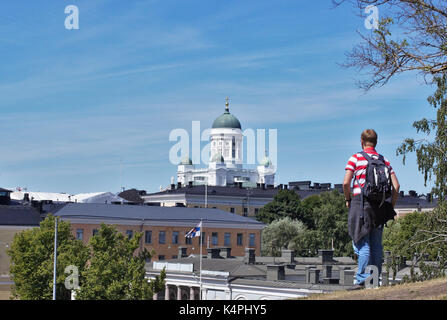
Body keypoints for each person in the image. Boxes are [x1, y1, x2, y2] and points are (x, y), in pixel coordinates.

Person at [343, 129, 400, 288]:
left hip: (361, 204)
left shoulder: (356, 158)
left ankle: (362, 280)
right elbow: (396, 186)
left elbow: (346, 183)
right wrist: (390, 206)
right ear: (376, 141)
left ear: (362, 141)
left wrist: (348, 199)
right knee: (376, 245)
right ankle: (374, 281)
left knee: (362, 242)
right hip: (380, 207)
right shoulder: (384, 160)